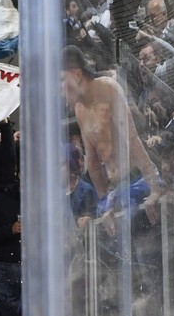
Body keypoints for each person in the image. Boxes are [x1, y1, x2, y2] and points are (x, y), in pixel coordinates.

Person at [61, 46, 163, 215]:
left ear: (77, 75)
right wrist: (104, 203)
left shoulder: (108, 89)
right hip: (115, 190)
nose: (60, 89)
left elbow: (133, 140)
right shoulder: (80, 109)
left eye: (62, 80)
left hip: (138, 180)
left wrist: (154, 188)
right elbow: (93, 163)